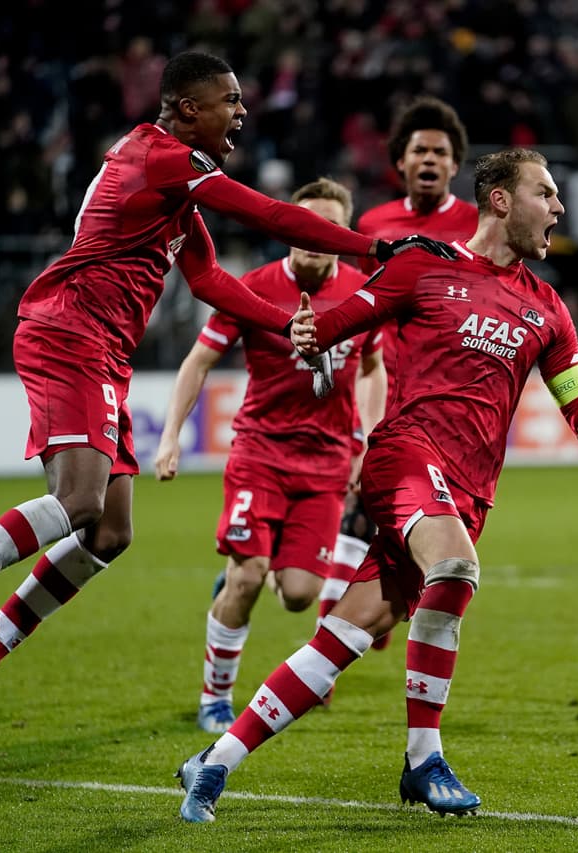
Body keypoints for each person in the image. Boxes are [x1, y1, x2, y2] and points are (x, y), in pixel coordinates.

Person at [0, 51, 453, 757]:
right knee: (79, 502)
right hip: (69, 331)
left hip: (105, 352)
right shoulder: (164, 159)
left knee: (109, 533)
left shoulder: (178, 186)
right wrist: (374, 246)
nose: (241, 113)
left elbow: (207, 279)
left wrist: (292, 325)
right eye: (228, 101)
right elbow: (267, 213)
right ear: (184, 108)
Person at [176, 148, 578, 823]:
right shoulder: (423, 267)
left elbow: (575, 394)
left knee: (346, 634)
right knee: (455, 566)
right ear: (499, 199)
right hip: (407, 458)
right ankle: (424, 758)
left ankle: (216, 761)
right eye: (545, 192)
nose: (558, 206)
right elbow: (331, 325)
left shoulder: (549, 309)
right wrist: (302, 325)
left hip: (468, 492)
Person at [152, 177, 386, 735]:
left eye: (325, 227)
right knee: (250, 577)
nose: (312, 237)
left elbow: (375, 367)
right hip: (260, 453)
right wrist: (169, 437)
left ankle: (244, 568)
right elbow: (198, 363)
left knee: (301, 597)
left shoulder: (363, 289)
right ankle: (216, 698)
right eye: (302, 225)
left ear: (341, 234)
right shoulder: (254, 288)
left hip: (328, 464)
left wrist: (368, 440)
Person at [339, 96, 479, 649]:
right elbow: (358, 305)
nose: (428, 159)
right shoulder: (374, 226)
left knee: (430, 533)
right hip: (385, 392)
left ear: (453, 165)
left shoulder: (473, 224)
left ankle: (366, 616)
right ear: (400, 161)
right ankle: (341, 627)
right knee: (361, 510)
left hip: (444, 400)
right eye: (418, 149)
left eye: (439, 152)